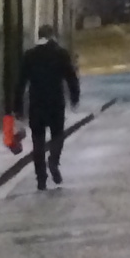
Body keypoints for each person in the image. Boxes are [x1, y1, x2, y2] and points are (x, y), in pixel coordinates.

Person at [16, 23, 81, 191]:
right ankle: (53, 161)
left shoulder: (29, 55)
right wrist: (74, 97)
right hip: (55, 103)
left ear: (39, 36)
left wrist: (18, 107)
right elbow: (71, 77)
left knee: (38, 141)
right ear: (52, 35)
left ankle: (41, 178)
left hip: (36, 103)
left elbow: (21, 82)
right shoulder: (61, 54)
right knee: (57, 135)